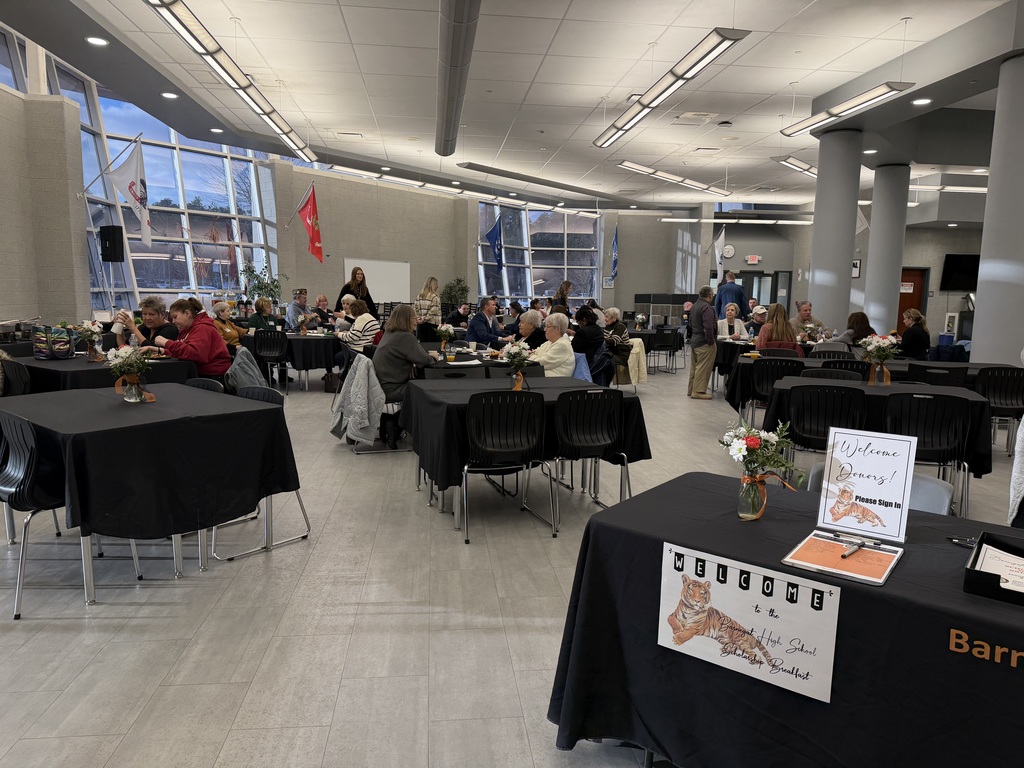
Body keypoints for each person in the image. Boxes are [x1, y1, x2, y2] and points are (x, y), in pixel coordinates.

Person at [153, 297, 232, 379]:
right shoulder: (187, 329)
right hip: (201, 373)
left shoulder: (203, 328)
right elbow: (183, 352)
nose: (173, 321)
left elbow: (194, 353)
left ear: (187, 313)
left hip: (212, 377)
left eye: (175, 317)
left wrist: (166, 342)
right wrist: (162, 351)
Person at [373, 304, 438, 403]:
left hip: (379, 387)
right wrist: (434, 357)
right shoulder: (405, 337)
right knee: (430, 386)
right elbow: (425, 360)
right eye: (414, 318)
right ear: (406, 320)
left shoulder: (389, 333)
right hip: (392, 389)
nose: (416, 321)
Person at [687, 286, 717, 399]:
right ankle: (698, 391)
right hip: (704, 342)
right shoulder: (707, 308)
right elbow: (708, 327)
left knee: (694, 367)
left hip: (695, 341)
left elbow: (690, 324)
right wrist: (711, 342)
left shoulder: (694, 306)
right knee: (703, 368)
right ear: (710, 295)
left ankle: (691, 390)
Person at [530, 311, 575, 377]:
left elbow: (540, 363)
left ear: (557, 329)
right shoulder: (549, 342)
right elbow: (536, 354)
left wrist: (531, 356)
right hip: (543, 376)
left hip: (554, 380)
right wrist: (534, 355)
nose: (545, 329)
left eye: (548, 327)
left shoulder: (562, 345)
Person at [414, 276, 441, 342]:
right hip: (432, 325)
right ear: (433, 285)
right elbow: (433, 311)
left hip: (421, 325)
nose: (438, 286)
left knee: (423, 345)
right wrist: (424, 319)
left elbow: (415, 309)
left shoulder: (419, 296)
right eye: (436, 284)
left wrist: (419, 318)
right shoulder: (435, 297)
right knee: (433, 346)